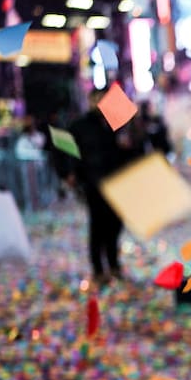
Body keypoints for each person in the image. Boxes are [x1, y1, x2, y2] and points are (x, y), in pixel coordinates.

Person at [68, 86, 138, 285]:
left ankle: (114, 264)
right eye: (96, 99)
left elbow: (133, 147)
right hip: (93, 183)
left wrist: (128, 145)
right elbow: (68, 152)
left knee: (115, 224)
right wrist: (71, 173)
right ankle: (99, 269)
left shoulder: (116, 122)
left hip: (117, 181)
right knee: (98, 226)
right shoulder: (80, 126)